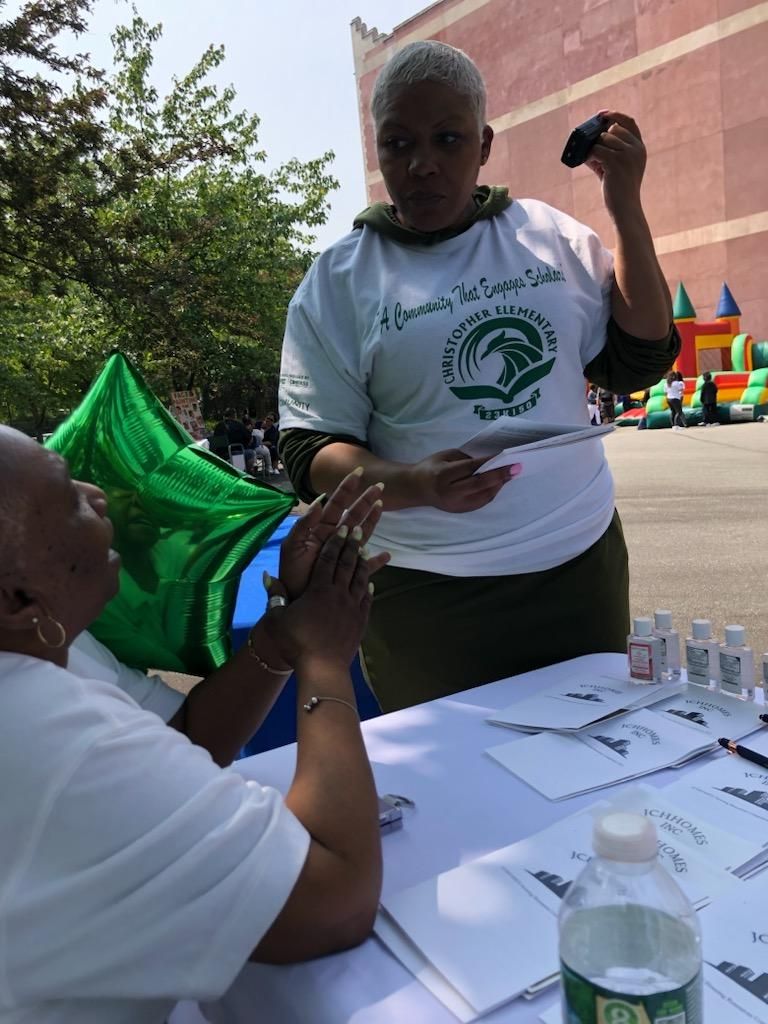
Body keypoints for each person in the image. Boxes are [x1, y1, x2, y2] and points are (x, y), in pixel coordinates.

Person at [278, 41, 679, 712]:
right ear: (376, 147)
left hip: (577, 568)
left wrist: (625, 206)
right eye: (398, 143)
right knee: (458, 796)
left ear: (485, 144)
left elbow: (638, 359)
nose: (422, 164)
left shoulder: (550, 238)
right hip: (426, 594)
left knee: (599, 762)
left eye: (448, 138)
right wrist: (414, 484)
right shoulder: (340, 282)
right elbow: (310, 452)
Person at [0, 425, 390, 1024]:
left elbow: (183, 737)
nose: (98, 495)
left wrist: (283, 632)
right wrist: (325, 659)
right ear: (18, 602)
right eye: (68, 497)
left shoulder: (54, 654)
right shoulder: (42, 729)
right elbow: (333, 900)